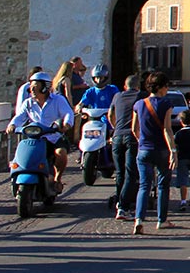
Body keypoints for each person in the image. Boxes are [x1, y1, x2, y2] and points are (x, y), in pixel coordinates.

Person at [7, 74, 74, 192]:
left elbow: (68, 113)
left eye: (35, 87)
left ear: (44, 87)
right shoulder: (28, 103)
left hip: (53, 136)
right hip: (34, 138)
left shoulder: (58, 100)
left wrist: (65, 124)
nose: (32, 90)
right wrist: (13, 125)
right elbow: (20, 117)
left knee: (61, 152)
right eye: (31, 87)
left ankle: (57, 179)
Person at [131, 72, 176, 233]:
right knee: (163, 185)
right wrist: (173, 150)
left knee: (144, 185)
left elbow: (134, 129)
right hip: (161, 149)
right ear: (162, 87)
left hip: (144, 149)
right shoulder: (166, 104)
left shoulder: (139, 104)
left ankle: (138, 220)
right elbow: (167, 129)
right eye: (166, 86)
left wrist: (141, 142)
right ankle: (161, 220)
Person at [109, 73, 143, 221]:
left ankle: (119, 200)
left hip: (117, 136)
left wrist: (115, 127)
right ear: (138, 86)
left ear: (125, 86)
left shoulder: (117, 96)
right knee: (131, 172)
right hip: (131, 136)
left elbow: (110, 114)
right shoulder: (141, 96)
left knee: (119, 172)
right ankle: (123, 206)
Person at [75, 65, 116, 168]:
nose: (98, 80)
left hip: (108, 117)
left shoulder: (112, 89)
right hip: (94, 118)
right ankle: (82, 153)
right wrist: (80, 107)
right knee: (85, 132)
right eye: (96, 78)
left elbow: (118, 100)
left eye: (101, 78)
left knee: (111, 134)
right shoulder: (90, 91)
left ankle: (111, 155)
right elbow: (82, 102)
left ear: (106, 78)